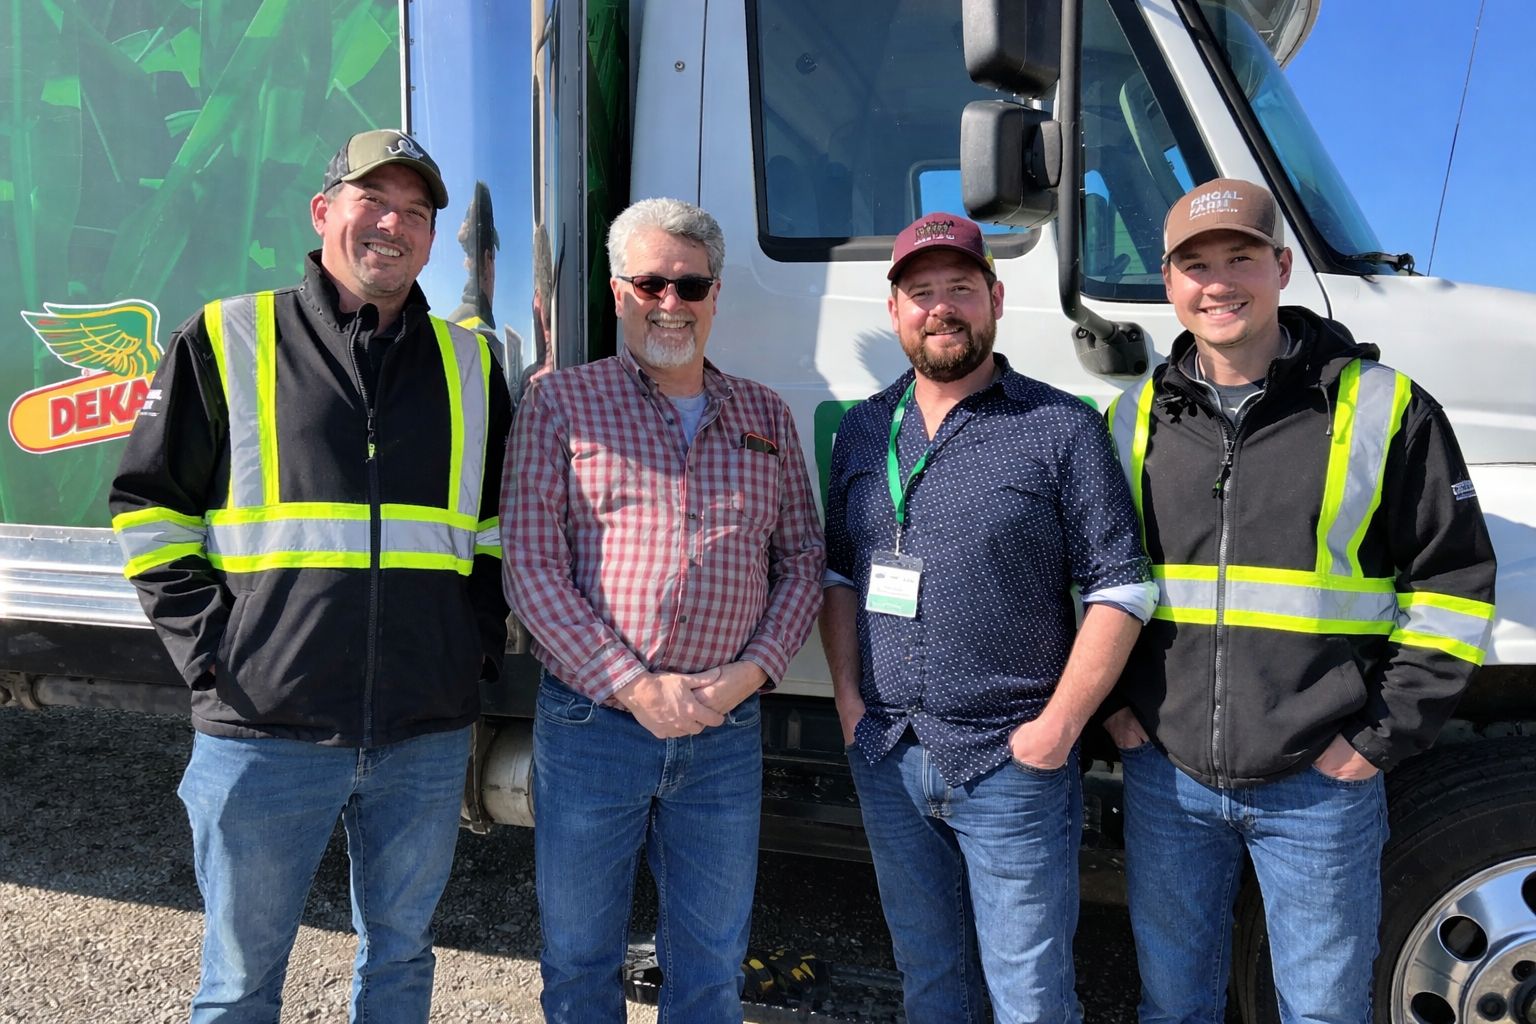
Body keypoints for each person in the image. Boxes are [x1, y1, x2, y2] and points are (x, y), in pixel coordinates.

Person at [110, 129, 512, 1024]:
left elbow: (493, 531)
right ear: (324, 211)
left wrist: (470, 650)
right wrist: (213, 652)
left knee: (403, 958)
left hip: (424, 727)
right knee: (241, 982)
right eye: (375, 201)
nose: (393, 225)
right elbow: (148, 506)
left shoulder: (473, 366)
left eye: (416, 212)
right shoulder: (226, 335)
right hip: (262, 725)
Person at [1101, 179, 1497, 1020]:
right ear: (1169, 286)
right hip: (1169, 776)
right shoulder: (1132, 417)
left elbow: (1453, 585)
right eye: (1194, 265)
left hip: (1321, 780)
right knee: (1172, 1007)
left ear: (1281, 266)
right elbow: (1094, 582)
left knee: (1322, 1011)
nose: (1218, 283)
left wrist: (1374, 737)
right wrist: (1115, 709)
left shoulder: (1384, 405)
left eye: (1240, 258)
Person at [819, 212, 1158, 1024]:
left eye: (960, 289)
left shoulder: (1059, 424)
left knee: (1031, 1000)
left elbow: (1121, 587)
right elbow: (839, 572)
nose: (942, 308)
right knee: (932, 985)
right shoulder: (866, 427)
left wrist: (1058, 730)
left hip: (1012, 762)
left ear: (996, 299)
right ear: (895, 310)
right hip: (890, 751)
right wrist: (846, 699)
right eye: (922, 292)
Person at [503, 197, 826, 1023]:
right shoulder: (560, 405)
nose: (670, 303)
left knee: (712, 963)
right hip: (591, 728)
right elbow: (532, 571)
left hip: (724, 734)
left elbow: (802, 562)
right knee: (580, 961)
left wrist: (745, 678)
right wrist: (635, 688)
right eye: (651, 283)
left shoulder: (765, 417)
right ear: (618, 294)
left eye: (690, 285)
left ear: (717, 295)